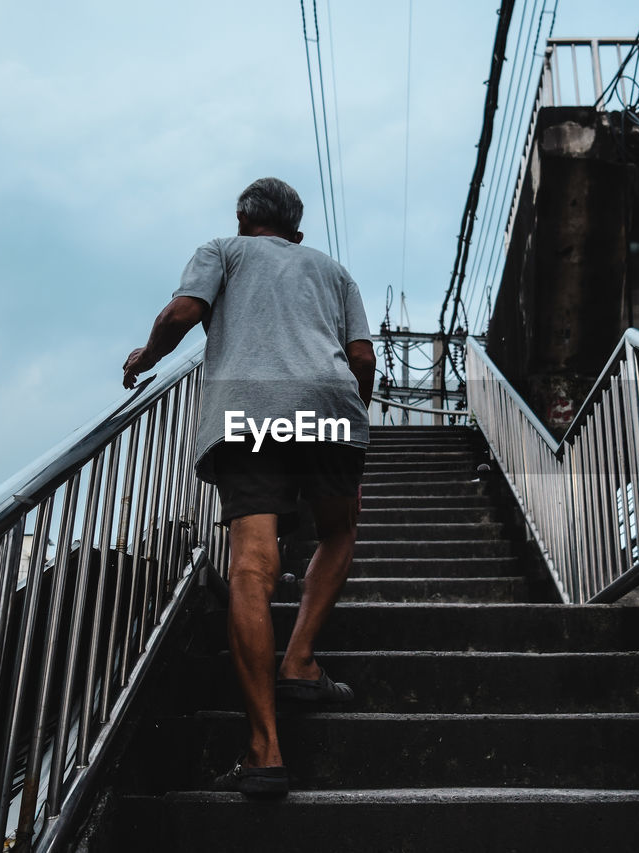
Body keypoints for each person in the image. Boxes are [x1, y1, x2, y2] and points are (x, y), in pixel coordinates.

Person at [122, 177, 376, 798]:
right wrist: (353, 417)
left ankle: (264, 752)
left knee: (251, 570)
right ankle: (300, 659)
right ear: (296, 231)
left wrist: (144, 358)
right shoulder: (332, 270)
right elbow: (364, 358)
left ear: (242, 223)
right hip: (328, 409)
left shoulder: (222, 251)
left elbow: (182, 312)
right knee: (338, 532)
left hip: (246, 414)